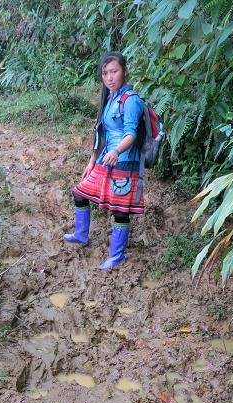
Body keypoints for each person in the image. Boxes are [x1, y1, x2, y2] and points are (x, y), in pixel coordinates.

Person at [63, 51, 145, 269]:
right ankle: (81, 234)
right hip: (105, 160)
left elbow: (131, 134)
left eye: (114, 71)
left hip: (124, 163)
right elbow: (102, 133)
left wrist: (117, 151)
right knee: (80, 193)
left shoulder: (131, 101)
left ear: (124, 72)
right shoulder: (110, 98)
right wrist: (92, 160)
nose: (109, 77)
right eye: (105, 73)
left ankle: (117, 256)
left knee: (120, 211)